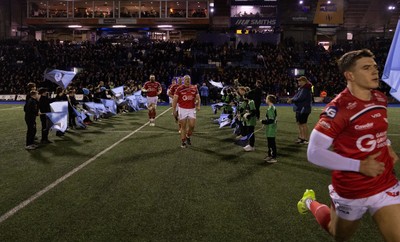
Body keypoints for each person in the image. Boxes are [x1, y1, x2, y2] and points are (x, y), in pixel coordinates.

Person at [297, 49, 400, 242]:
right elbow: (314, 152)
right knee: (338, 234)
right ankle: (309, 201)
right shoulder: (338, 109)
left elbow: (378, 130)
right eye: (367, 68)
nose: (375, 72)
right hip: (351, 189)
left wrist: (387, 145)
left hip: (384, 182)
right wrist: (359, 166)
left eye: (375, 67)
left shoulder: (379, 99)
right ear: (350, 75)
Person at [172, 75, 200, 148]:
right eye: (186, 79)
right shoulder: (179, 89)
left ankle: (188, 136)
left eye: (189, 79)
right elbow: (175, 99)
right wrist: (174, 110)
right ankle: (183, 141)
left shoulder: (194, 88)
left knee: (192, 126)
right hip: (182, 109)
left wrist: (198, 104)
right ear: (184, 80)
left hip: (192, 109)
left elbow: (198, 98)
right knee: (183, 127)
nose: (188, 81)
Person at [287, 76, 313, 144]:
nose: (299, 82)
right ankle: (301, 138)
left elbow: (300, 98)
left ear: (304, 81)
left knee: (303, 124)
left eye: (300, 81)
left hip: (304, 109)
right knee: (300, 123)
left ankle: (305, 139)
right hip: (300, 109)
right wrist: (292, 99)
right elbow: (296, 96)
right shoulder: (302, 88)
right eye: (298, 81)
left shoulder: (305, 89)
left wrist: (292, 100)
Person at [261, 95, 277, 163]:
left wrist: (263, 121)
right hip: (271, 128)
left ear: (269, 100)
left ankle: (273, 157)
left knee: (271, 143)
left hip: (271, 128)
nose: (265, 99)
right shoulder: (272, 107)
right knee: (270, 143)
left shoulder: (271, 109)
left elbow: (271, 120)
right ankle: (270, 155)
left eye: (266, 99)